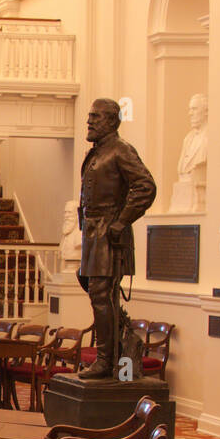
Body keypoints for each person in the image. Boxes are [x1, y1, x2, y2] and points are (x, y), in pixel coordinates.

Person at [77, 98, 156, 379]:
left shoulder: (120, 150)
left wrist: (121, 221)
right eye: (89, 116)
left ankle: (105, 360)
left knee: (102, 294)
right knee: (98, 292)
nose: (89, 121)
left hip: (108, 233)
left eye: (95, 117)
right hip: (93, 233)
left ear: (111, 121)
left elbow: (145, 186)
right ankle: (108, 359)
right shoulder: (99, 151)